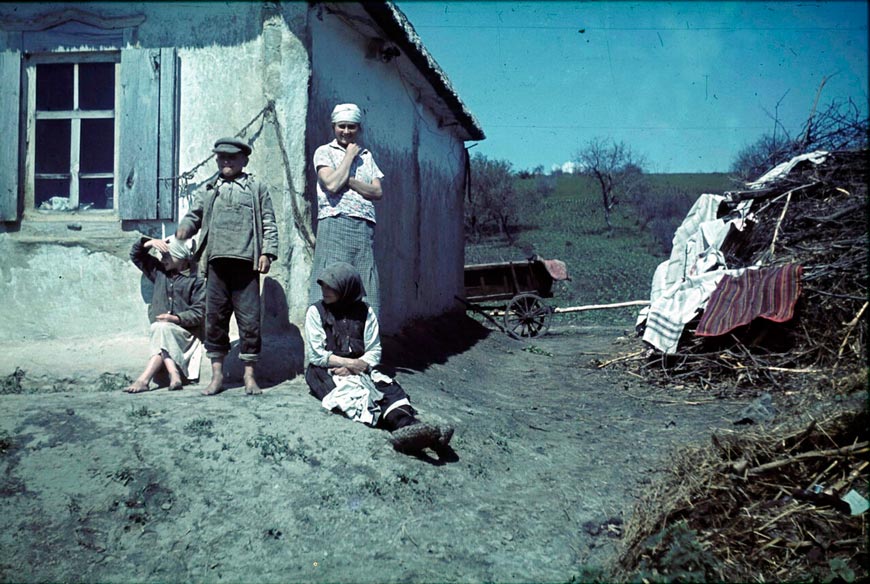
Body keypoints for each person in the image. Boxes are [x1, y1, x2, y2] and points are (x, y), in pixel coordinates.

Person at [305, 262, 453, 454]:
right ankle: (409, 432)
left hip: (360, 368)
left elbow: (374, 350)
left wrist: (358, 366)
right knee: (354, 396)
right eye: (323, 285)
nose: (325, 290)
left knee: (386, 389)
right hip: (326, 370)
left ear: (347, 288)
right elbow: (316, 355)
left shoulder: (365, 312)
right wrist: (350, 364)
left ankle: (420, 433)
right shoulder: (316, 312)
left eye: (331, 286)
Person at [176, 137, 279, 396]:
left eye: (232, 157)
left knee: (250, 324)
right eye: (221, 157)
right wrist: (186, 227)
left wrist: (267, 252)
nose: (226, 162)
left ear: (244, 160)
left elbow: (269, 222)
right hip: (216, 267)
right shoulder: (210, 188)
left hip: (246, 268)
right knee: (215, 321)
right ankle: (217, 377)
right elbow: (194, 215)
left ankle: (249, 377)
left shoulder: (256, 187)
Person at [308, 103, 383, 316]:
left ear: (358, 128)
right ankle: (325, 341)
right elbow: (331, 185)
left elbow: (377, 192)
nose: (347, 131)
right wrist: (349, 157)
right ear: (333, 126)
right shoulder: (324, 152)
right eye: (342, 126)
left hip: (364, 226)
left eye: (352, 127)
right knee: (331, 280)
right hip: (335, 221)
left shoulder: (367, 156)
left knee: (364, 282)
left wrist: (348, 181)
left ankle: (363, 343)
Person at [125, 236, 205, 393]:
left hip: (185, 333)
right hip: (162, 330)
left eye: (167, 256)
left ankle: (144, 380)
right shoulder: (159, 271)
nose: (162, 260)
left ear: (181, 257)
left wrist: (176, 318)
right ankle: (174, 374)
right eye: (162, 256)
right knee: (162, 328)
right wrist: (148, 243)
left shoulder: (196, 280)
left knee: (162, 329)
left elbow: (200, 311)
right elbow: (136, 255)